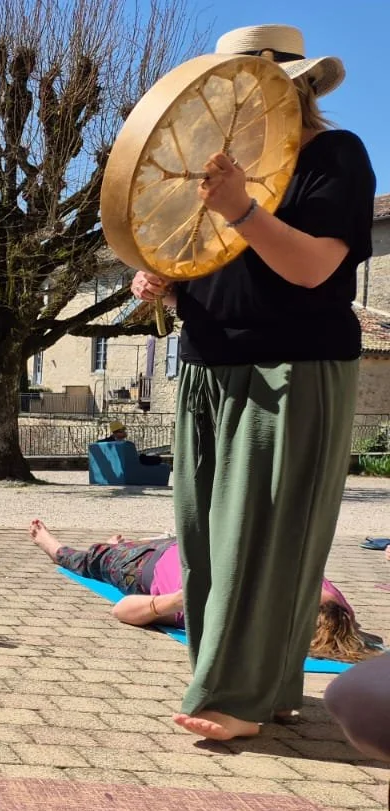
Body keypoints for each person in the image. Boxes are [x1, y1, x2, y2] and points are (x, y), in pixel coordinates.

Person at [130, 24, 374, 741]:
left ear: (289, 86)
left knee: (263, 542)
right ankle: (260, 691)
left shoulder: (334, 155)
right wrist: (166, 289)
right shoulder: (218, 175)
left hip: (292, 370)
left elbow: (310, 268)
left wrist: (240, 206)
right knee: (206, 541)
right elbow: (225, 278)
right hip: (209, 370)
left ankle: (231, 698)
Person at [30, 520, 377, 666]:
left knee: (91, 559)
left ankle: (51, 544)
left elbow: (122, 610)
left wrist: (180, 598)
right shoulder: (334, 606)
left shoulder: (223, 612)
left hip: (140, 567)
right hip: (187, 548)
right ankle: (121, 544)